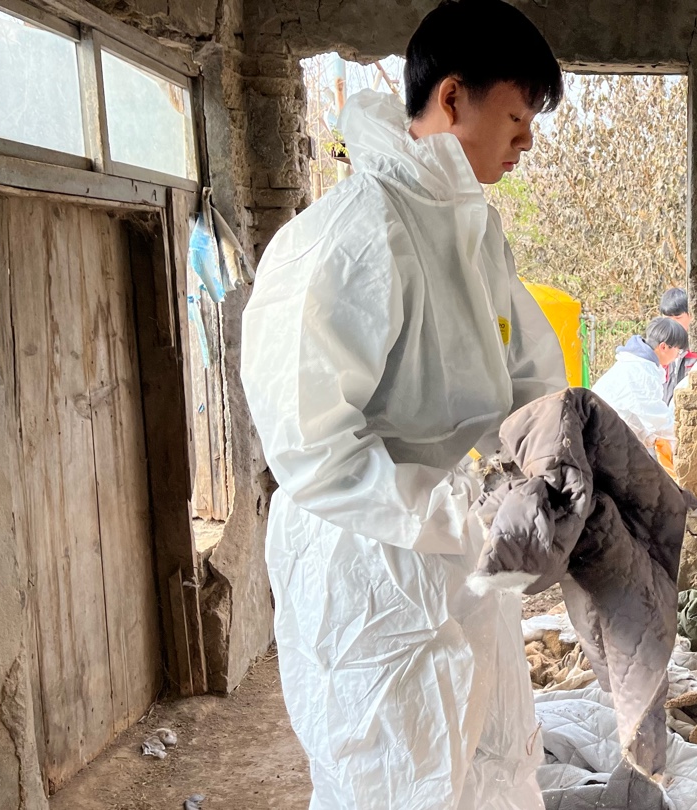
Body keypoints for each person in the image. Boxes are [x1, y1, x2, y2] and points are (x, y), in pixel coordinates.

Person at [239, 2, 567, 808]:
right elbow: (313, 447)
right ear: (454, 98)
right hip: (366, 568)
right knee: (393, 781)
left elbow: (524, 379)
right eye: (518, 116)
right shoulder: (353, 235)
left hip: (452, 555)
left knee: (489, 765)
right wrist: (463, 513)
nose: (527, 140)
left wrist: (563, 459)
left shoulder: (473, 234)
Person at [592, 317, 688, 469]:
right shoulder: (641, 371)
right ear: (663, 347)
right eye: (678, 350)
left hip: (606, 436)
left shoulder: (639, 364)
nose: (678, 356)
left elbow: (633, 415)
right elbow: (658, 420)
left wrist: (649, 437)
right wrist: (686, 435)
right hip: (601, 439)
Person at [659, 287, 697, 404]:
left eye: (677, 318)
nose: (672, 324)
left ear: (691, 316)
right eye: (668, 319)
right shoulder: (658, 349)